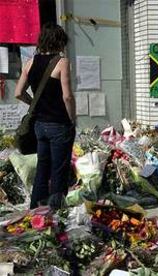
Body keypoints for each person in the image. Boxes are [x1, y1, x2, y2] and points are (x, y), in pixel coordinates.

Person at [15, 23, 76, 210]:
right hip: (59, 125)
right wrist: (72, 119)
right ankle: (56, 213)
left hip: (39, 126)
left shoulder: (30, 63)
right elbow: (67, 96)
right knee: (59, 170)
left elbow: (18, 92)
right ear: (60, 42)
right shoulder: (62, 62)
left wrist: (35, 104)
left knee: (42, 168)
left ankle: (35, 210)